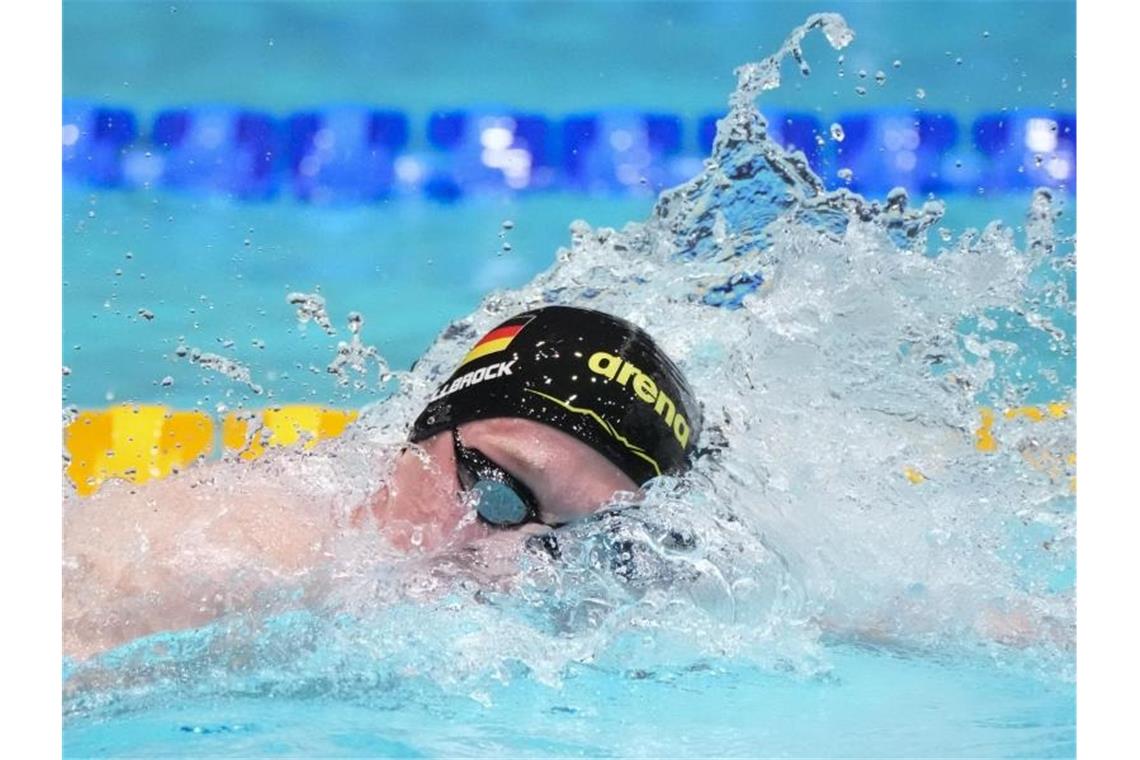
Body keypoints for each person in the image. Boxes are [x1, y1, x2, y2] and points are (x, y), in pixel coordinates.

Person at [63, 306, 702, 659]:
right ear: (422, 437)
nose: (508, 570)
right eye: (496, 494)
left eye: (567, 543)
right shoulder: (204, 559)